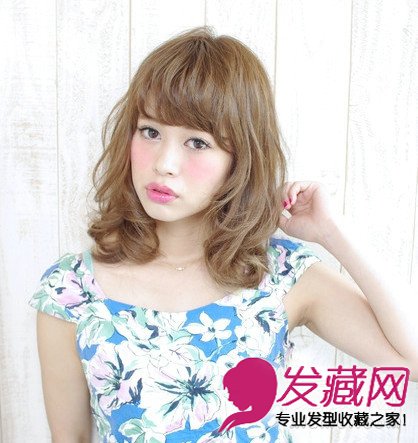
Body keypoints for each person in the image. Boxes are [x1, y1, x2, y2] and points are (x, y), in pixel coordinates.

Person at [28, 26, 418, 443]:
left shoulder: (280, 275)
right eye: (150, 132)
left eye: (197, 143)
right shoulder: (72, 290)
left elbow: (411, 362)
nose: (164, 163)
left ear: (240, 159)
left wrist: (332, 232)